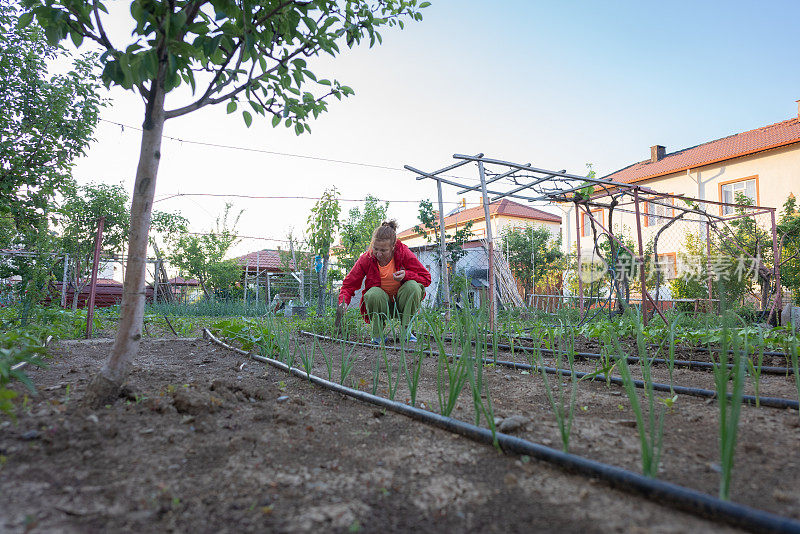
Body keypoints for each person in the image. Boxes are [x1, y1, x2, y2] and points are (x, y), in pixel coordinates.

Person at [337, 220, 431, 344]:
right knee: (372, 294)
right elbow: (349, 284)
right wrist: (343, 302)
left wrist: (406, 275)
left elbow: (426, 278)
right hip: (380, 304)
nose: (378, 254)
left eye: (383, 250)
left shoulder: (404, 253)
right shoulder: (367, 258)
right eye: (375, 249)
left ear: (393, 247)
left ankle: (406, 332)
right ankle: (378, 336)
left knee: (412, 286)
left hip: (402, 302)